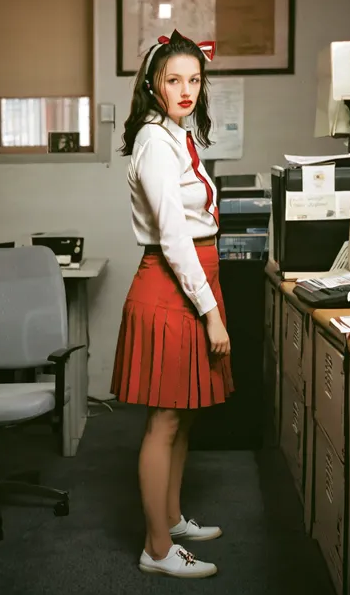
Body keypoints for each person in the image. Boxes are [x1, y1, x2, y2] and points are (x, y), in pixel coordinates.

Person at [111, 29, 234, 578]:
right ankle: (157, 549)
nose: (186, 89)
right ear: (154, 84)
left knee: (181, 417)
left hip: (192, 280)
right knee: (164, 420)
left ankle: (173, 515)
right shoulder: (155, 142)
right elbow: (175, 237)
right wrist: (209, 312)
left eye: (194, 79)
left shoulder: (179, 135)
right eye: (173, 79)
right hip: (171, 286)